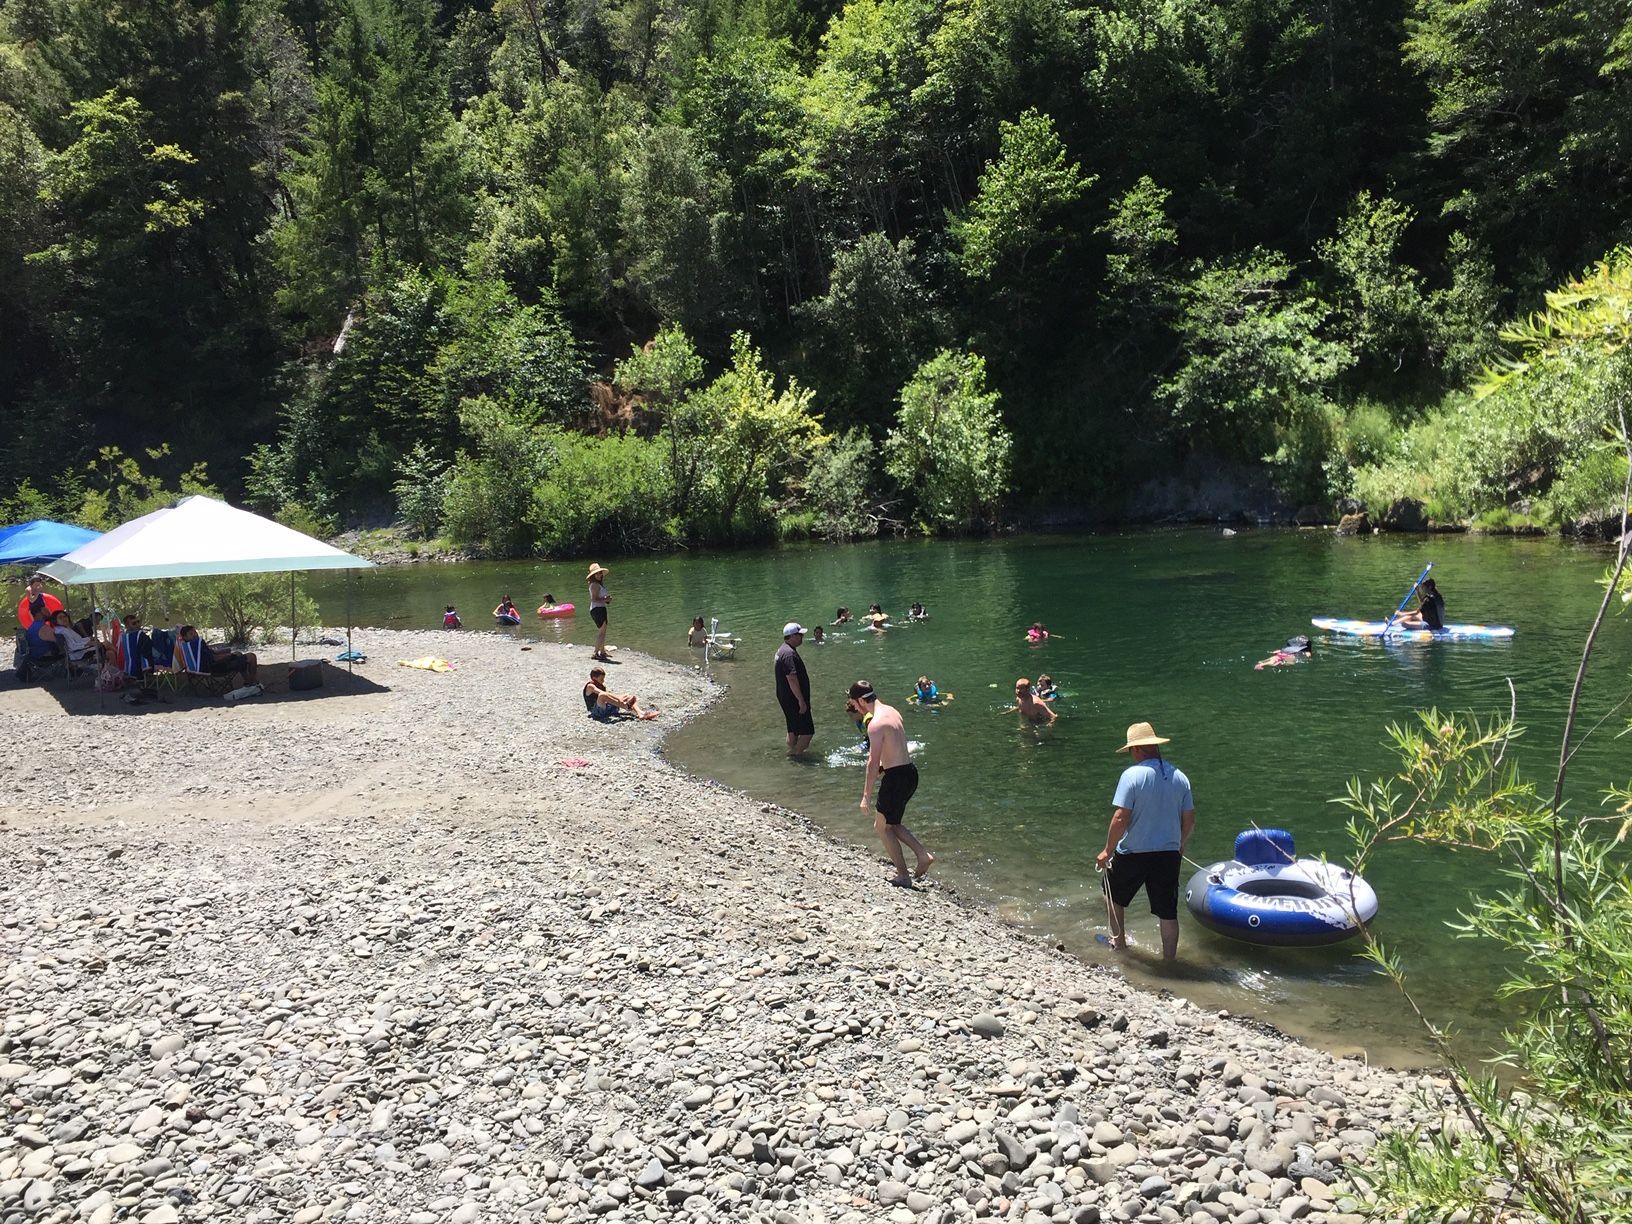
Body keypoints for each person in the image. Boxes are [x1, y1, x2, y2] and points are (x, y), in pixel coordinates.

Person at [1096, 721, 1196, 960]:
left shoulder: (1131, 776)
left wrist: (1107, 850)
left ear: (1138, 749)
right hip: (1168, 854)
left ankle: (1118, 943)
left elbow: (1120, 817)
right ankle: (1169, 962)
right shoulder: (1180, 777)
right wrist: (1180, 844)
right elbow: (1190, 820)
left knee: (1111, 894)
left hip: (1133, 852)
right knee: (1168, 912)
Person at [851, 680, 935, 887]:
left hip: (896, 778)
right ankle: (922, 856)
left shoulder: (875, 724)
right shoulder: (892, 711)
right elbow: (894, 747)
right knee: (891, 824)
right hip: (910, 773)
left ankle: (904, 875)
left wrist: (865, 797)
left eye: (853, 703)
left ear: (862, 700)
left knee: (882, 827)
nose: (853, 707)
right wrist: (883, 766)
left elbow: (872, 763)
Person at [774, 622, 813, 756]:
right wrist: (801, 701)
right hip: (794, 699)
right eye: (800, 635)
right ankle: (797, 756)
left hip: (785, 697)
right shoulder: (789, 654)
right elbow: (791, 678)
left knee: (793, 729)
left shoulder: (782, 650)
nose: (802, 637)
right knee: (807, 732)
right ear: (792, 636)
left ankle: (791, 752)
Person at [174, 626, 259, 687]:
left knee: (239, 655)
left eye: (195, 632)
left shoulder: (189, 646)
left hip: (211, 666)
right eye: (191, 634)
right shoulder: (196, 646)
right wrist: (230, 655)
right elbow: (214, 659)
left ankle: (248, 682)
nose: (195, 635)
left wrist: (228, 653)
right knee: (251, 656)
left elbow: (211, 654)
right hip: (217, 668)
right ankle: (252, 682)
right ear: (185, 637)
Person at [583, 667, 658, 720]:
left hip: (606, 709)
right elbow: (602, 693)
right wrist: (618, 698)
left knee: (628, 696)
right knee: (602, 695)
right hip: (596, 712)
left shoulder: (602, 685)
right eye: (601, 679)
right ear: (594, 678)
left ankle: (640, 713)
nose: (603, 681)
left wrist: (621, 697)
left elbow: (608, 697)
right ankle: (626, 706)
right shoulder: (590, 686)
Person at [587, 564, 612, 661]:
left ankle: (602, 651)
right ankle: (595, 652)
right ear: (593, 575)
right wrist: (605, 598)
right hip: (597, 609)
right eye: (596, 574)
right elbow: (594, 599)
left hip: (600, 608)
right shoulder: (594, 585)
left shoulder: (598, 584)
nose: (599, 575)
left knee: (603, 631)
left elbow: (600, 599)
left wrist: (607, 600)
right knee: (602, 632)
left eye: (600, 573)